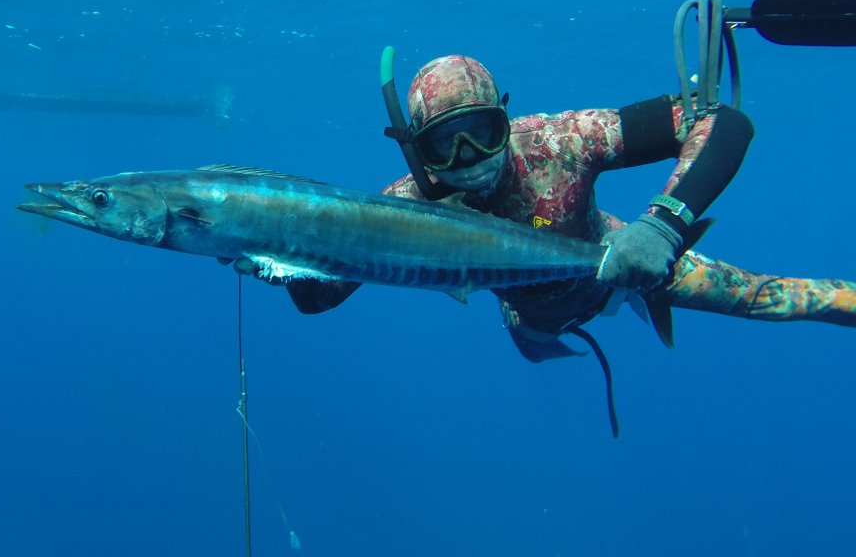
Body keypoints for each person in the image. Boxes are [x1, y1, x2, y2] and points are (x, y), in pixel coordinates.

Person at [238, 55, 856, 429]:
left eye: (482, 132)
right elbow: (322, 298)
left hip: (628, 256)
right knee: (536, 347)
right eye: (442, 146)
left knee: (762, 296)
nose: (467, 159)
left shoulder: (560, 143)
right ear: (415, 150)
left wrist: (664, 223)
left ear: (506, 117)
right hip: (529, 311)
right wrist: (285, 261)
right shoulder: (404, 205)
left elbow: (720, 121)